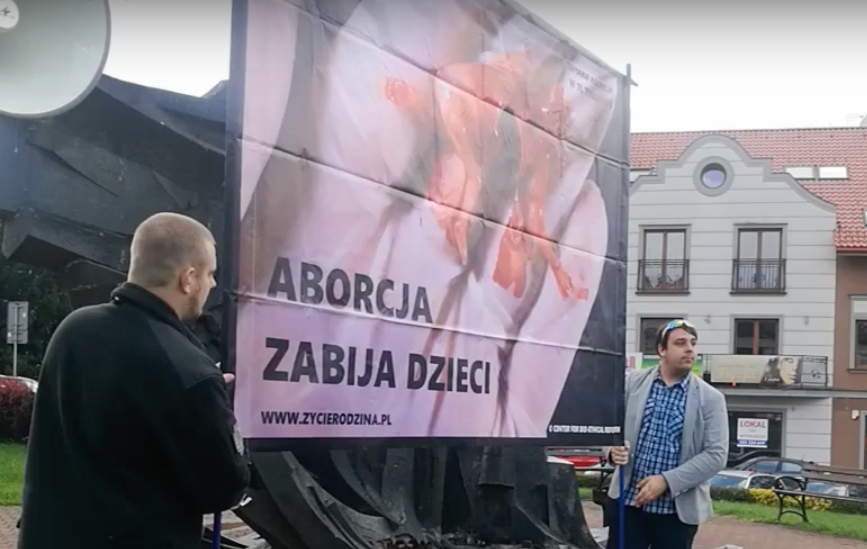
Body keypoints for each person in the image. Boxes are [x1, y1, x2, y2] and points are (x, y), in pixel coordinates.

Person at [18, 212, 250, 549]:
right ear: (188, 278)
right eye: (210, 274)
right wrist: (221, 410)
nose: (213, 284)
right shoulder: (190, 371)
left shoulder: (74, 329)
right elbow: (224, 489)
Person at [604, 319, 728, 549]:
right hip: (627, 505)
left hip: (676, 514)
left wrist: (667, 481)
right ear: (662, 350)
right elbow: (609, 425)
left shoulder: (711, 399)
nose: (690, 349)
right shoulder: (631, 383)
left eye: (692, 343)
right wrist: (611, 450)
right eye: (680, 343)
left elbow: (716, 455)